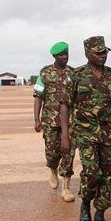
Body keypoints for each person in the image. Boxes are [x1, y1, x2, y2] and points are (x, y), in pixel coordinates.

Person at [59, 36, 111, 221]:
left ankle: (100, 213)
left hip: (109, 132)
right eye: (98, 53)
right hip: (85, 132)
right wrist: (65, 136)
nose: (103, 56)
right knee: (91, 172)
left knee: (109, 173)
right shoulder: (75, 75)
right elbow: (64, 105)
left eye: (104, 52)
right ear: (87, 54)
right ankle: (85, 204)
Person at [33, 41, 76, 202]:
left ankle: (66, 187)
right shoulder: (44, 73)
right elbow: (38, 97)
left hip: (70, 121)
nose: (64, 57)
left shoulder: (74, 73)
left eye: (66, 54)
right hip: (50, 120)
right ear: (54, 56)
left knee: (68, 152)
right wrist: (36, 119)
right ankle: (52, 170)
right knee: (52, 153)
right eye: (61, 55)